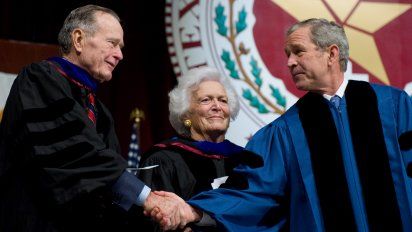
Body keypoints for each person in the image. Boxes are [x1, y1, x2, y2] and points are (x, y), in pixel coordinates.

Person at [150, 18, 412, 231]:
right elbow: (252, 192)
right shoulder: (285, 132)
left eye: (298, 52)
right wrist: (194, 210)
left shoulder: (394, 106)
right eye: (288, 54)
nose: (289, 62)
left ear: (332, 54)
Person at [0, 5, 176, 231]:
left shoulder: (100, 111)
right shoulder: (39, 80)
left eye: (121, 47)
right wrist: (147, 198)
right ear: (79, 39)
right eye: (112, 43)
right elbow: (78, 152)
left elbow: (105, 184)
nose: (120, 54)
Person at [137, 66, 262, 231]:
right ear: (186, 114)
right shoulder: (163, 160)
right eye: (206, 100)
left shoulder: (247, 161)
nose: (217, 106)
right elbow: (153, 222)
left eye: (223, 100)